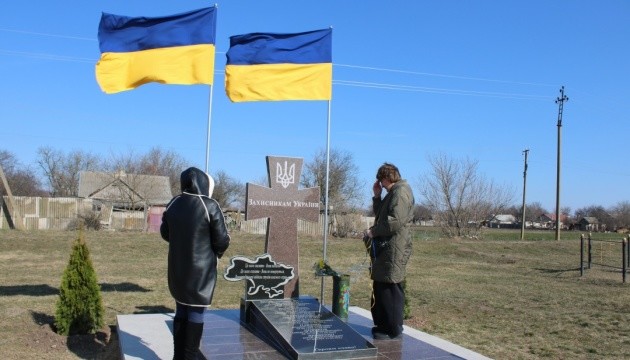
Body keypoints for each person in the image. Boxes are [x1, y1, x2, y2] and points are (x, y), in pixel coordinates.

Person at [160, 167, 230, 359]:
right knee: (196, 312)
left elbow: (166, 233)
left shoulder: (173, 203)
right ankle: (190, 356)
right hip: (201, 270)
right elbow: (222, 240)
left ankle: (178, 356)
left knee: (181, 308)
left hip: (177, 267)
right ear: (203, 182)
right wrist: (217, 252)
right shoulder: (209, 205)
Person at [363, 162, 414, 340]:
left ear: (386, 178)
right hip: (387, 247)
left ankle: (392, 328)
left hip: (393, 248)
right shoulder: (392, 193)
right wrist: (377, 197)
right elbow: (382, 216)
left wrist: (373, 231)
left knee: (390, 288)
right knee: (382, 286)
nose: (380, 184)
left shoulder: (400, 192)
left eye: (380, 181)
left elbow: (395, 221)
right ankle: (383, 325)